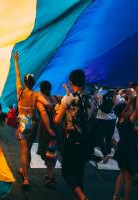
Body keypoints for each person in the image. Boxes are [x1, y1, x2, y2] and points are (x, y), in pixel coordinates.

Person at [54, 69, 95, 200]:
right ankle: (80, 196)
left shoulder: (68, 98)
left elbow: (57, 120)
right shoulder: (92, 99)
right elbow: (93, 120)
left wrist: (57, 110)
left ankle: (83, 197)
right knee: (79, 173)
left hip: (72, 140)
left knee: (66, 173)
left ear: (71, 82)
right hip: (85, 140)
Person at [13, 52, 49, 186]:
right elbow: (48, 104)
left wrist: (16, 62)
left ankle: (26, 178)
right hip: (33, 122)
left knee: (24, 150)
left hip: (22, 121)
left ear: (25, 82)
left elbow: (17, 75)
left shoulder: (20, 91)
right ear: (34, 83)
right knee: (27, 147)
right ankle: (23, 169)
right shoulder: (36, 94)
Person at [112, 86, 138, 200]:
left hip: (121, 150)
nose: (130, 110)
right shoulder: (128, 121)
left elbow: (130, 105)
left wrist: (132, 95)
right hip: (128, 151)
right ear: (123, 113)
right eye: (128, 110)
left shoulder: (120, 121)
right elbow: (137, 110)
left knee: (122, 173)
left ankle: (116, 195)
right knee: (129, 177)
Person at [37, 81, 60, 187]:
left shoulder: (41, 101)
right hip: (56, 127)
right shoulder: (56, 98)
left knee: (48, 153)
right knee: (51, 152)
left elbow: (44, 114)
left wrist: (49, 129)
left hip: (47, 130)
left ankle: (50, 177)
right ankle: (49, 174)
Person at [94, 89, 117, 163]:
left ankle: (105, 153)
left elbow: (96, 102)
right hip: (112, 118)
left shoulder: (99, 92)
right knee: (108, 137)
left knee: (99, 137)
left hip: (101, 118)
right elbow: (115, 103)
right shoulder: (113, 93)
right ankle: (108, 154)